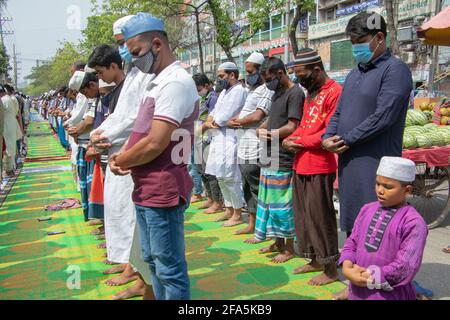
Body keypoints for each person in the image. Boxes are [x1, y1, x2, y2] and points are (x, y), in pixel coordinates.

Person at [112, 12, 199, 300]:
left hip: (163, 188)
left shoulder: (175, 82)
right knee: (152, 262)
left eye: (136, 52)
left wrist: (122, 159)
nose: (132, 60)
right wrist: (125, 156)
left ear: (157, 45)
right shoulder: (157, 81)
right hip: (147, 187)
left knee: (169, 267)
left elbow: (156, 143)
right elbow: (141, 132)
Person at [322, 12, 412, 237]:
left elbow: (383, 117)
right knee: (354, 225)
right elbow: (339, 112)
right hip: (349, 161)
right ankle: (357, 269)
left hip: (375, 163)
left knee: (376, 228)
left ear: (379, 37)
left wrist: (346, 139)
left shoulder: (395, 70)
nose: (355, 49)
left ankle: (376, 272)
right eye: (352, 43)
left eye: (359, 43)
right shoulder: (354, 74)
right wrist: (327, 137)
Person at [89, 19, 154, 300]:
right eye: (119, 43)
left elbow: (135, 119)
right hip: (121, 155)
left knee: (136, 224)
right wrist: (98, 133)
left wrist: (104, 134)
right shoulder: (134, 75)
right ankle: (138, 276)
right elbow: (120, 116)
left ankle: (144, 282)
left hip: (137, 158)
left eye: (123, 43)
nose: (123, 49)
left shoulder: (151, 76)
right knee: (124, 217)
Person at [283, 48, 342, 285]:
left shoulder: (335, 91)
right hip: (301, 163)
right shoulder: (311, 93)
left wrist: (299, 141)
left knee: (320, 217)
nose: (299, 79)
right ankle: (315, 259)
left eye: (302, 74)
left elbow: (329, 131)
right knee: (304, 216)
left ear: (316, 70)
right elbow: (305, 126)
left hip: (319, 164)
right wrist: (288, 139)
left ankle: (330, 268)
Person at [339, 156, 428, 300]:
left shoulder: (414, 223)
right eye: (377, 184)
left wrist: (367, 276)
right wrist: (347, 266)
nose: (380, 190)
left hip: (390, 294)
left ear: (407, 190)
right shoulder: (367, 209)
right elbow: (352, 242)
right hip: (357, 290)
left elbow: (405, 267)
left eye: (388, 187)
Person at [252, 57, 304, 263]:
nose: (267, 83)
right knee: (268, 204)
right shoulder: (276, 94)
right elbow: (272, 118)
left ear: (281, 73)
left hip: (282, 157)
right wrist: (262, 128)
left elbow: (292, 126)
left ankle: (289, 248)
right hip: (269, 155)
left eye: (269, 79)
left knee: (282, 206)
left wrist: (271, 134)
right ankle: (277, 242)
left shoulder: (295, 93)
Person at [227, 52, 273, 236]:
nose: (248, 75)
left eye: (251, 71)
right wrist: (237, 120)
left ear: (261, 71)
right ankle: (252, 223)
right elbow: (247, 113)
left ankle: (265, 228)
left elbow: (258, 116)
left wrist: (237, 121)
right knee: (247, 185)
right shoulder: (250, 90)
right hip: (244, 143)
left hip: (256, 145)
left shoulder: (267, 90)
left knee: (257, 187)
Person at [203, 62, 247, 226]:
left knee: (231, 176)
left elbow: (223, 117)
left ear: (232, 75)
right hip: (218, 137)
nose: (219, 79)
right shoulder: (222, 93)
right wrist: (210, 122)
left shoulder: (239, 91)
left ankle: (237, 212)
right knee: (220, 176)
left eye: (222, 76)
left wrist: (213, 122)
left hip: (231, 138)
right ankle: (228, 209)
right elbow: (213, 114)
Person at [192, 73, 223, 214]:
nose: (198, 92)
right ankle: (210, 198)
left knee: (210, 172)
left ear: (206, 85)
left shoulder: (214, 98)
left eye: (198, 89)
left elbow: (211, 120)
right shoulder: (203, 98)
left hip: (209, 137)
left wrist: (202, 128)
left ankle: (217, 202)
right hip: (200, 137)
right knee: (201, 170)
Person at [1, 85, 21, 176]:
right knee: (11, 148)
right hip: (11, 125)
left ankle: (8, 170)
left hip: (5, 127)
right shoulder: (9, 98)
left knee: (7, 149)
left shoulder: (3, 100)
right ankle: (11, 169)